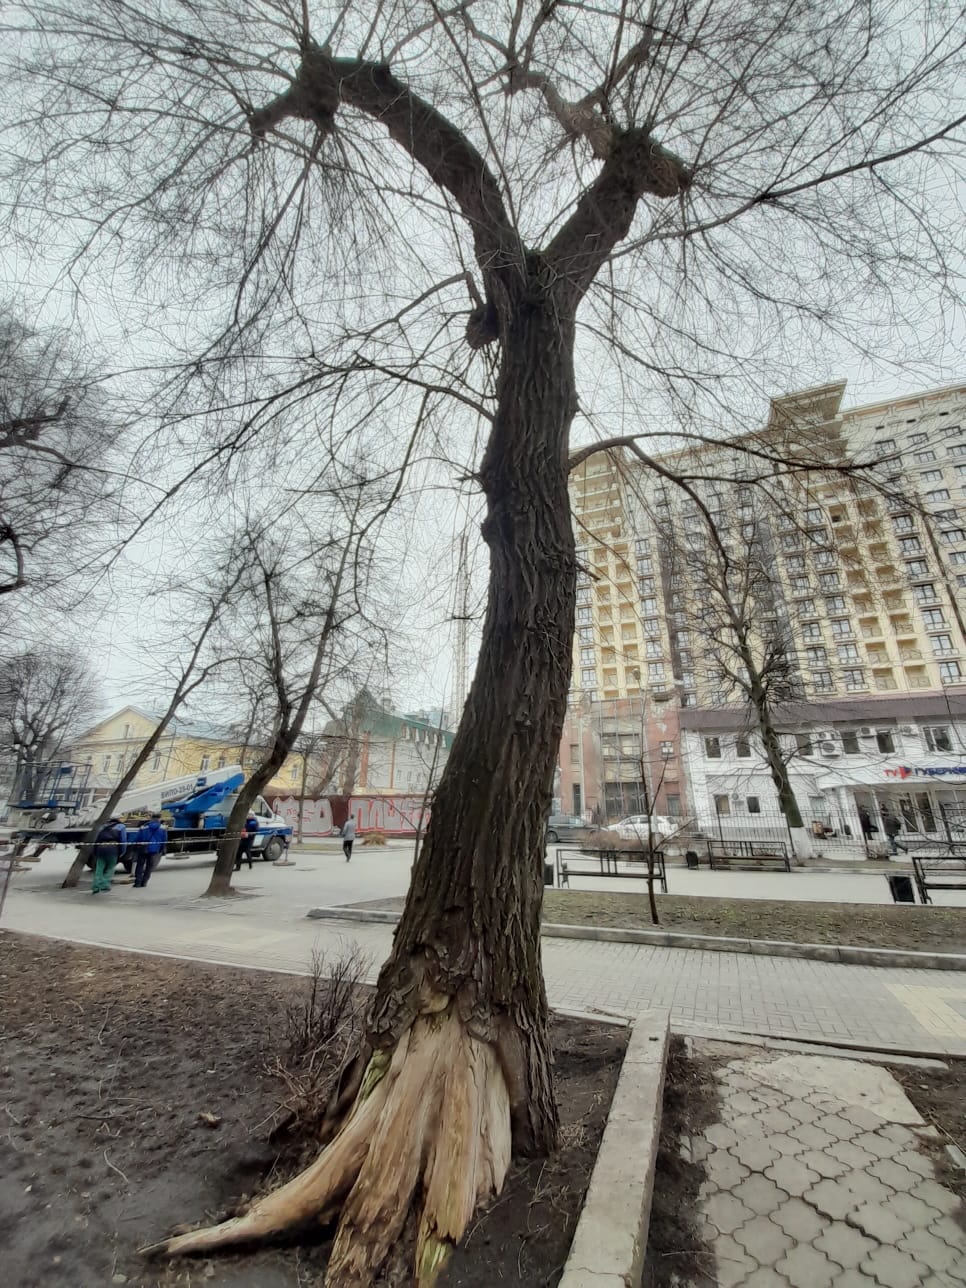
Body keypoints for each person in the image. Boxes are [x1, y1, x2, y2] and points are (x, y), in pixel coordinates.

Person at [91, 817, 127, 894]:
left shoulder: (102, 826)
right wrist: (122, 852)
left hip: (101, 848)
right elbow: (123, 840)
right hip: (112, 849)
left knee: (99, 868)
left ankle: (95, 886)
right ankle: (105, 886)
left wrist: (95, 851)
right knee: (110, 868)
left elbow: (97, 840)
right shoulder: (121, 827)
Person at [133, 813, 167, 888]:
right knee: (149, 866)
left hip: (143, 848)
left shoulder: (144, 826)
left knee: (140, 865)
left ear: (151, 818)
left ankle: (137, 882)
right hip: (154, 849)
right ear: (159, 818)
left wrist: (136, 847)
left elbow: (138, 838)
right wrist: (162, 849)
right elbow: (164, 840)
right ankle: (144, 882)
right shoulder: (163, 828)